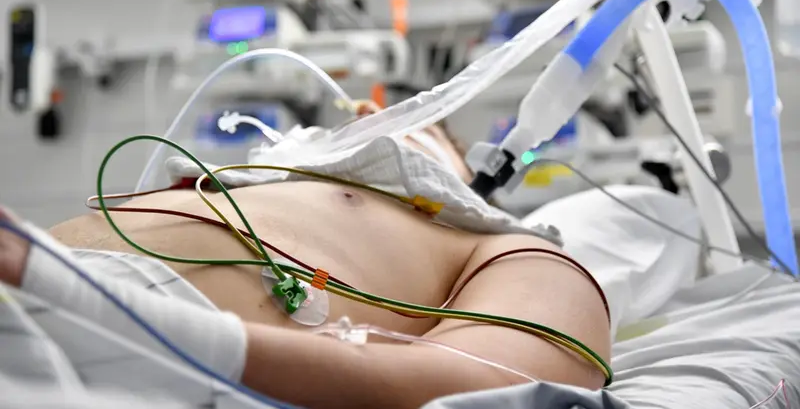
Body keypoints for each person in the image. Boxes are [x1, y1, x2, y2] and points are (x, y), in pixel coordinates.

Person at [0, 114, 611, 409]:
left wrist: (82, 296)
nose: (375, 118)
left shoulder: (499, 245)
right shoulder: (237, 180)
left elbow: (479, 384)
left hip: (147, 347)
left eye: (421, 124)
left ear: (464, 170)